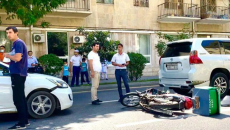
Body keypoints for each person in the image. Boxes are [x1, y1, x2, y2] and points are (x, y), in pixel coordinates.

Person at [4, 26, 29, 130]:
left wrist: (7, 55)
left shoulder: (18, 43)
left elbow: (18, 58)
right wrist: (9, 55)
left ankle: (21, 123)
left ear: (16, 33)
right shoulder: (16, 44)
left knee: (18, 99)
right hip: (18, 74)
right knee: (21, 98)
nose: (8, 34)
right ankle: (25, 121)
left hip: (18, 74)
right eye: (7, 33)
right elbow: (16, 56)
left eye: (10, 32)